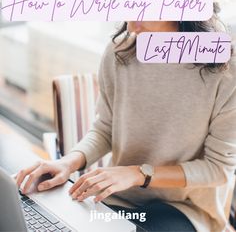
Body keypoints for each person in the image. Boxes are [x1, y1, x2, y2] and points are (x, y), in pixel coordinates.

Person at [16, 12, 236, 232]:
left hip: (186, 208)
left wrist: (138, 174)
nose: (132, 24)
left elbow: (218, 169)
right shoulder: (119, 52)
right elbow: (105, 129)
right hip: (121, 198)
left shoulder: (225, 69)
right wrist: (68, 162)